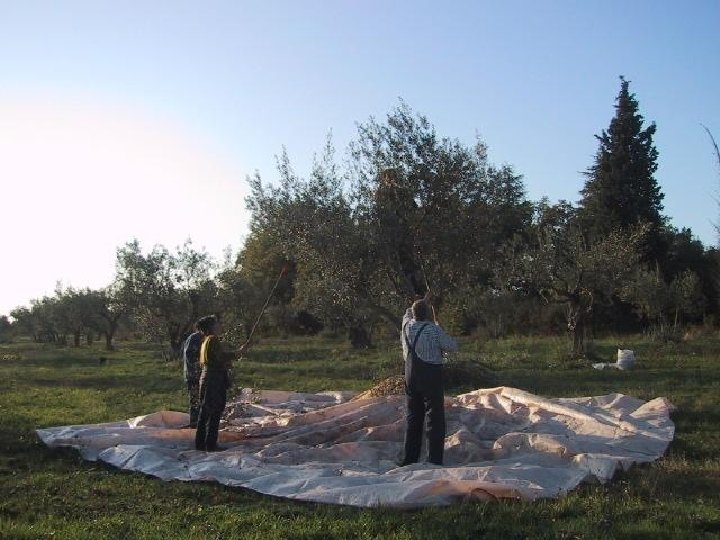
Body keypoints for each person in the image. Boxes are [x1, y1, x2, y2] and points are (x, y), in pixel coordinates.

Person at [400, 291, 458, 466]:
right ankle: (433, 460)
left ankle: (409, 459)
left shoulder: (406, 326)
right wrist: (439, 326)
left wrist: (423, 301)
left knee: (413, 417)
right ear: (427, 314)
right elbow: (452, 346)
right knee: (434, 418)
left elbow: (407, 313)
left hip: (410, 375)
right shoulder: (433, 330)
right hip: (430, 376)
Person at [194, 315, 247, 452]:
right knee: (214, 412)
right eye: (217, 323)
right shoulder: (213, 340)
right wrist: (238, 352)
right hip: (214, 379)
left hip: (207, 377)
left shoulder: (205, 340)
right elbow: (221, 357)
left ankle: (200, 444)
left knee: (205, 412)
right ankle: (211, 445)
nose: (219, 325)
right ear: (211, 326)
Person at [181, 322, 204, 428]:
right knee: (195, 402)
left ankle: (200, 425)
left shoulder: (203, 338)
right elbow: (190, 356)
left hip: (200, 376)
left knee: (202, 402)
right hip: (194, 376)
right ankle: (195, 426)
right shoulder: (195, 338)